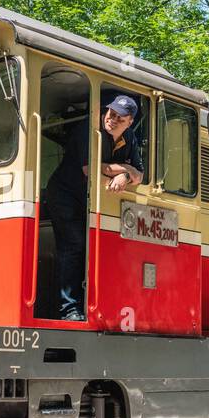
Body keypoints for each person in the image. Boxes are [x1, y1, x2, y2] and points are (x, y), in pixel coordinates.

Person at [42, 94, 144, 321]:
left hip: (87, 198)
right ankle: (69, 309)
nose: (112, 119)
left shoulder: (131, 139)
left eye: (120, 117)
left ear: (129, 122)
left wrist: (126, 176)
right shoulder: (88, 129)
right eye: (111, 113)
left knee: (94, 247)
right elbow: (91, 168)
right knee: (74, 245)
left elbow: (140, 175)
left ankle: (90, 306)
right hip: (64, 194)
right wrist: (126, 168)